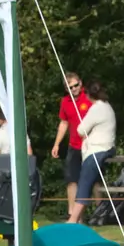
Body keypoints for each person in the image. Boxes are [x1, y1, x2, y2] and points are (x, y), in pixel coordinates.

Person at [67, 82, 116, 224]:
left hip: (97, 150)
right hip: (105, 148)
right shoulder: (107, 106)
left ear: (89, 94)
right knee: (91, 183)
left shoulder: (97, 108)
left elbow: (81, 130)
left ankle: (73, 219)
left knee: (84, 183)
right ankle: (89, 217)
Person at [50, 73, 92, 217]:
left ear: (81, 83)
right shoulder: (65, 102)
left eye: (76, 85)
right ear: (66, 89)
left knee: (95, 179)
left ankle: (100, 214)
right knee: (71, 179)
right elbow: (63, 123)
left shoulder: (89, 96)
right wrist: (56, 144)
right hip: (74, 146)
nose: (74, 89)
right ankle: (72, 213)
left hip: (91, 145)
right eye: (70, 87)